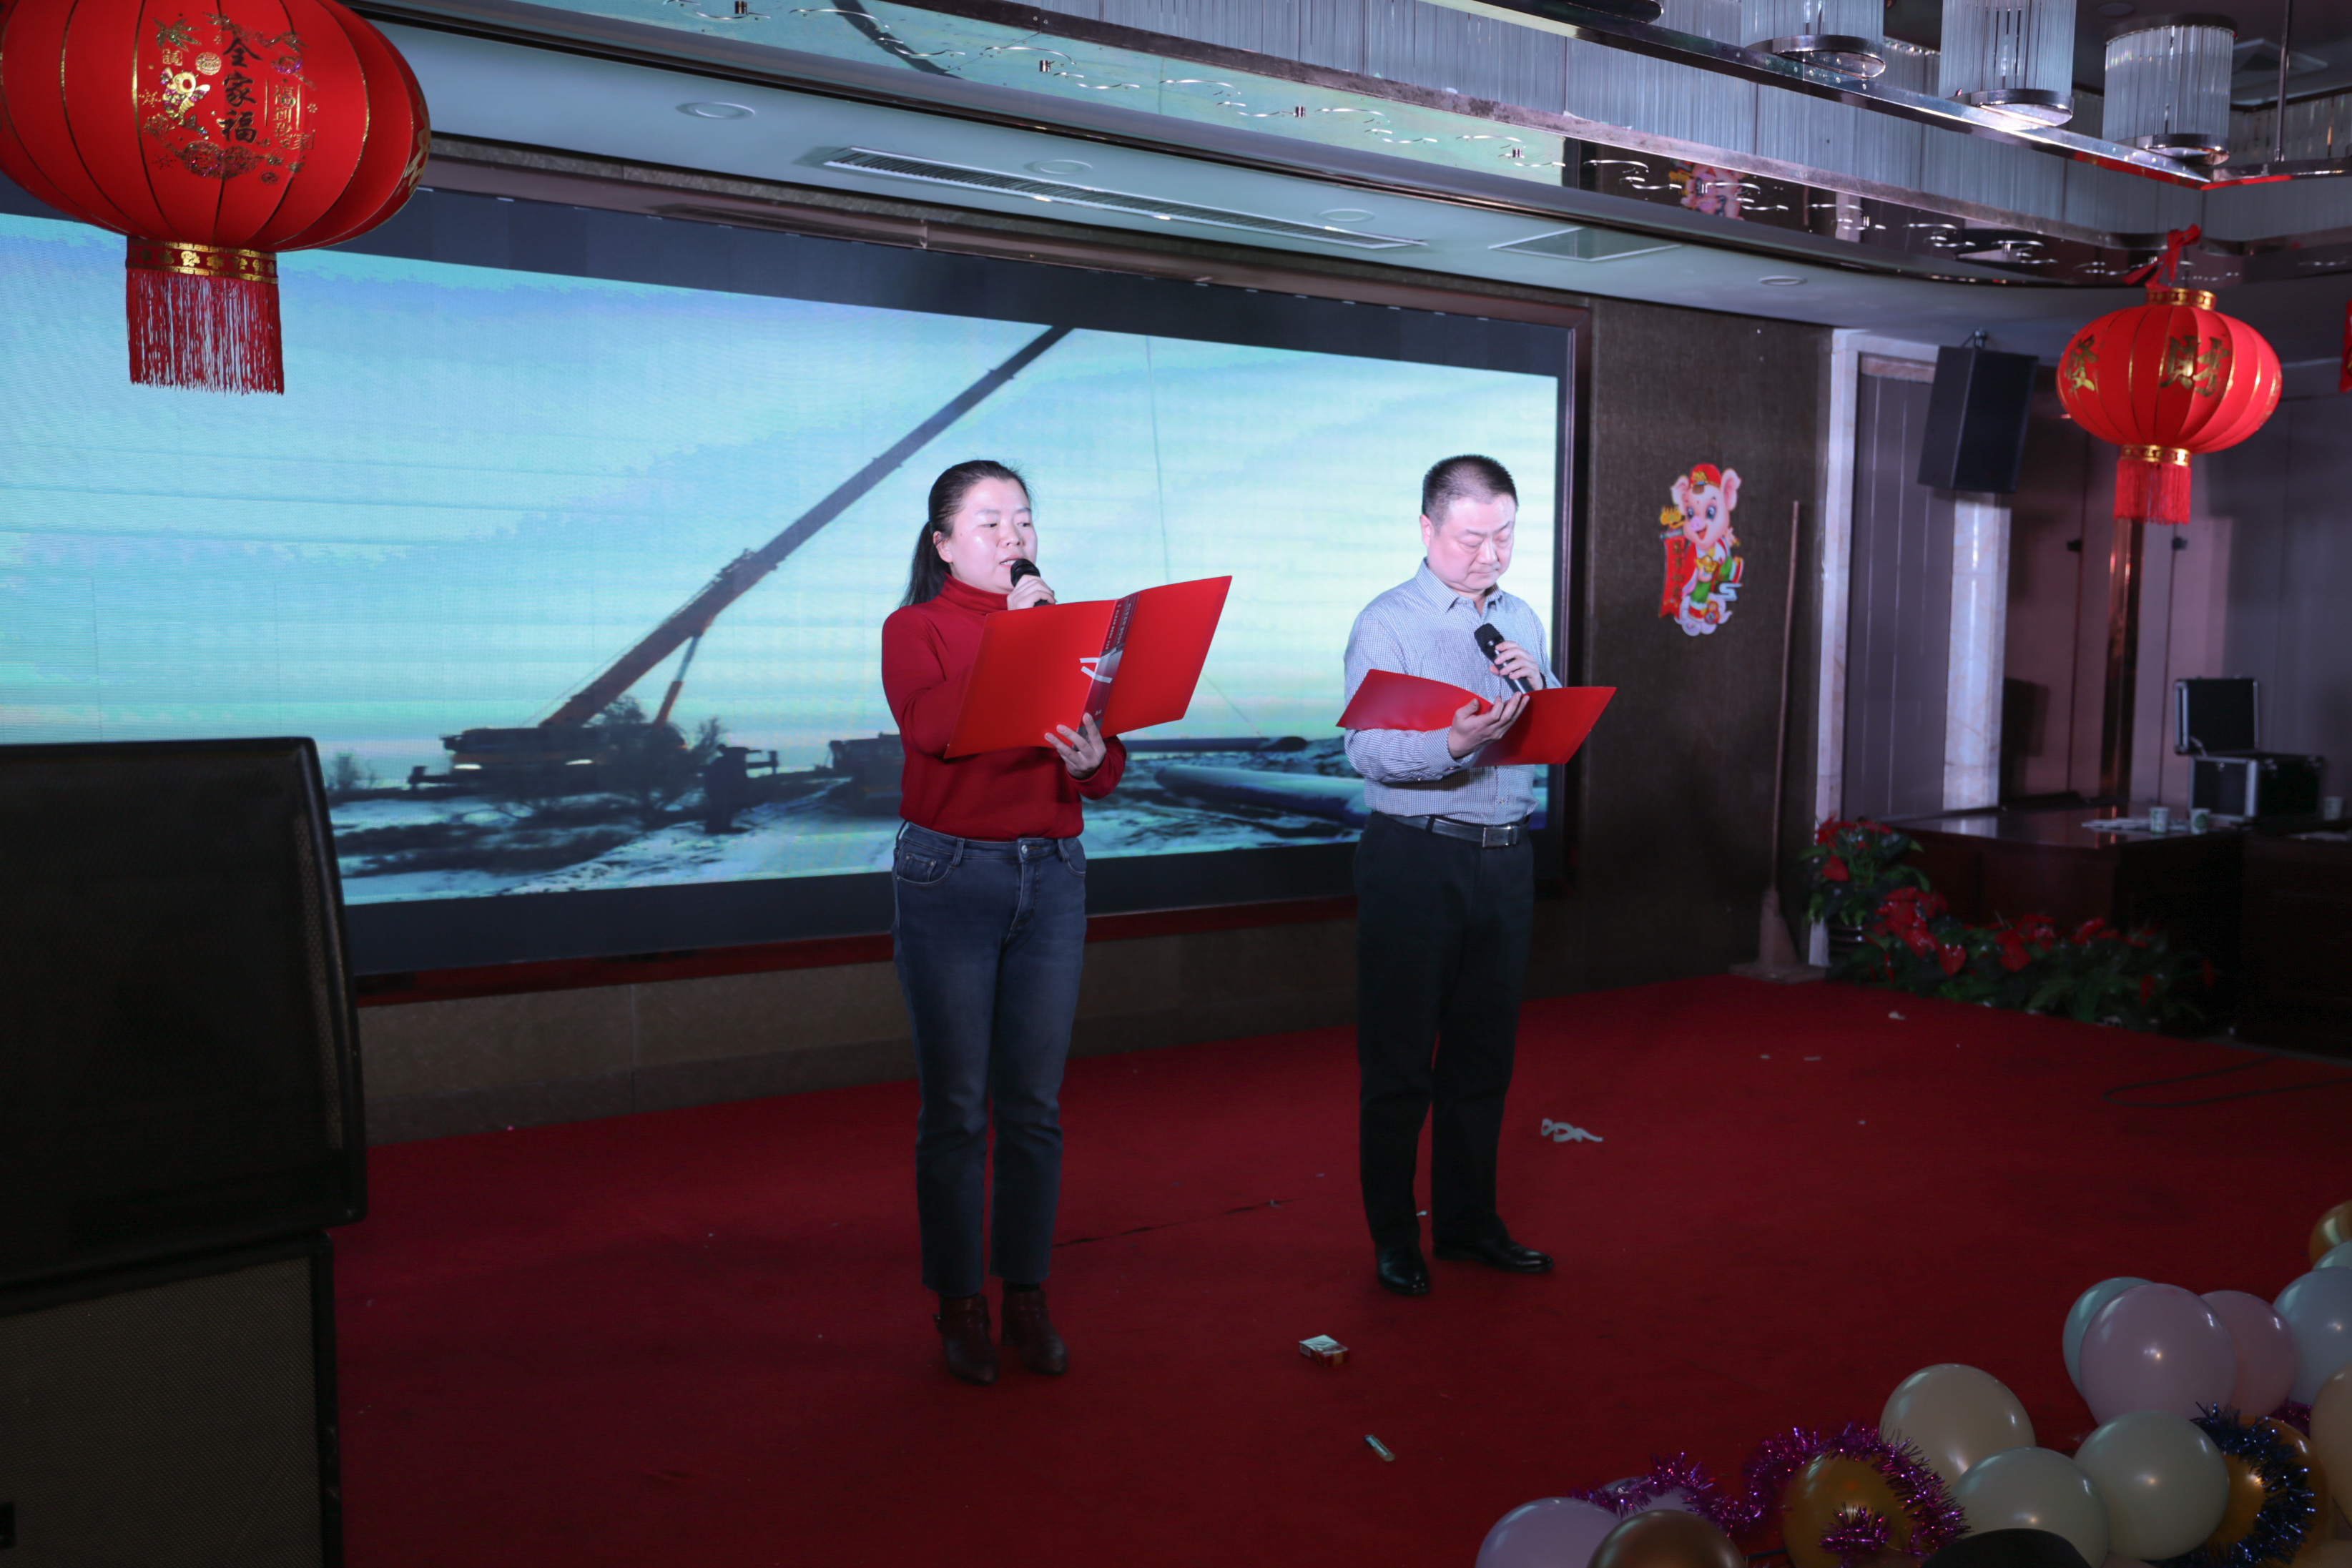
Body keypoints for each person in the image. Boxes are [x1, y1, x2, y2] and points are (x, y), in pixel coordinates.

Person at [879, 459, 1124, 1385]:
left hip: (1052, 874)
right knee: (956, 1108)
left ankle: (1026, 1291)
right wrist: (1019, 640)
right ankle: (958, 1300)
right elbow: (935, 730)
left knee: (1033, 1106)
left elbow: (1106, 766)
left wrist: (1093, 759)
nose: (1013, 536)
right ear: (944, 544)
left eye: (1022, 519)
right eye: (989, 522)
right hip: (950, 874)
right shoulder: (917, 628)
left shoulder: (1071, 633)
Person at [1341, 454, 1558, 1298]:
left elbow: (1548, 729)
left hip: (1506, 857)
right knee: (1400, 1065)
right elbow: (1365, 750)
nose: (1489, 555)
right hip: (1415, 857)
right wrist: (1453, 743)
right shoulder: (1387, 622)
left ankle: (1469, 1226)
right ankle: (1395, 1238)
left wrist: (1544, 694)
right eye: (1472, 538)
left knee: (1482, 1060)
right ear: (1427, 529)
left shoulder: (1520, 617)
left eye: (1504, 536)